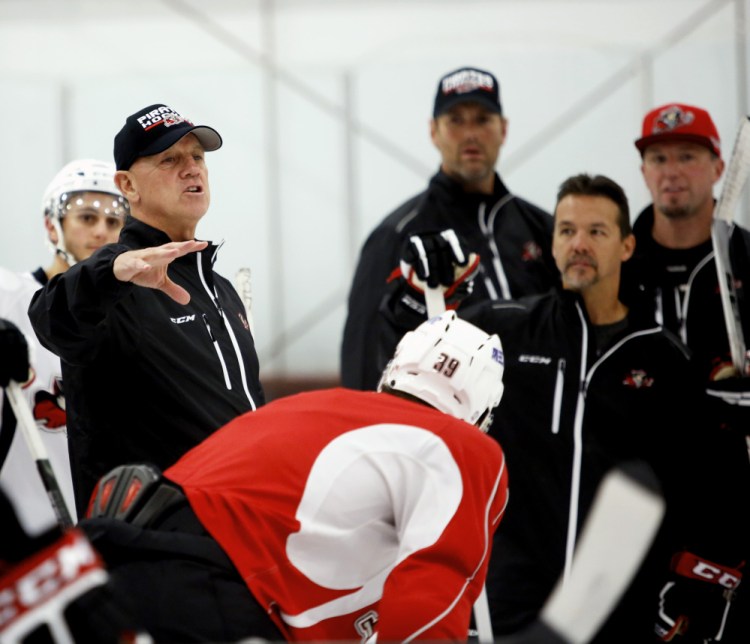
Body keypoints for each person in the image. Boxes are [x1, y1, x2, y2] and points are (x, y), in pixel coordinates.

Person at [43, 311, 509, 642]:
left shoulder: (309, 405)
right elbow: (427, 610)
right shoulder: (462, 447)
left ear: (392, 371)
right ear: (482, 410)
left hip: (101, 570)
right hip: (213, 592)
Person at [445, 174, 746, 642]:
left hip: (620, 614)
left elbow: (701, 492)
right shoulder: (502, 331)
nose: (578, 244)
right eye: (566, 231)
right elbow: (414, 358)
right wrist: (410, 294)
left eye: (596, 232)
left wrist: (686, 592)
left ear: (626, 246)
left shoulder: (664, 360)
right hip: (510, 609)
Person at [28, 104, 264, 518]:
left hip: (238, 534)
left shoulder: (220, 290)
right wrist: (111, 268)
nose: (192, 169)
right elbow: (51, 317)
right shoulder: (116, 285)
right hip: (151, 554)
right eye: (170, 159)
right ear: (128, 186)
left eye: (198, 157)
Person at [341, 65, 559, 391]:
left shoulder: (543, 228)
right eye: (456, 120)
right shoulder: (397, 234)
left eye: (483, 119)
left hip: (539, 430)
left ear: (504, 128)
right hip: (447, 432)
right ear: (433, 131)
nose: (471, 133)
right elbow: (363, 357)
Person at [622, 102, 750, 644]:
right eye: (659, 157)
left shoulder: (743, 259)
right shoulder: (616, 261)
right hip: (631, 500)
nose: (672, 171)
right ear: (645, 171)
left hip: (730, 505)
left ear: (720, 167)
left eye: (689, 156)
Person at [0, 160, 128, 534]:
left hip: (106, 533)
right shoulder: (7, 297)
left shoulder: (138, 318)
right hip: (19, 531)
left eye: (113, 221)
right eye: (87, 218)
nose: (102, 231)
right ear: (51, 226)